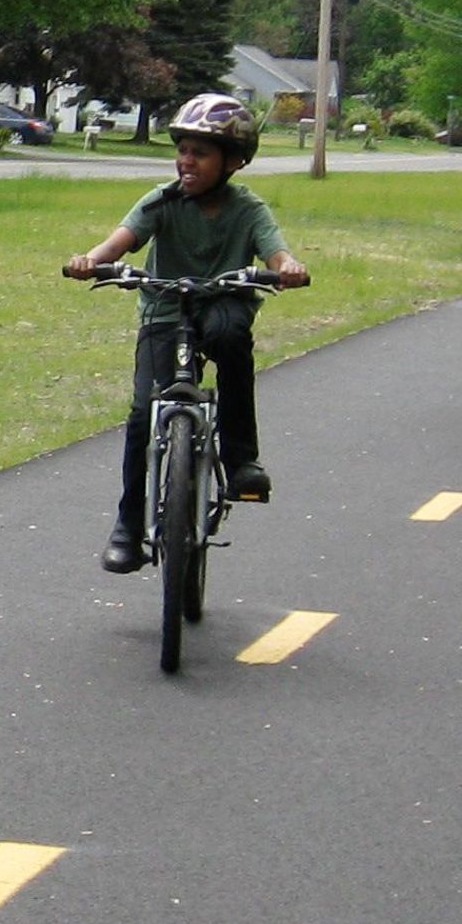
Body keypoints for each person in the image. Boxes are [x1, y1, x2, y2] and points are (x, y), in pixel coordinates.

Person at [61, 92, 309, 573]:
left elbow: (276, 254)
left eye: (201, 153)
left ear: (233, 161)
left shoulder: (248, 208)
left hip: (222, 306)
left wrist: (289, 267)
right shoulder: (162, 201)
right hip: (164, 309)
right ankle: (128, 526)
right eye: (183, 150)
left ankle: (241, 461)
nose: (186, 162)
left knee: (233, 342)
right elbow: (118, 243)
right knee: (140, 416)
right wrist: (90, 261)